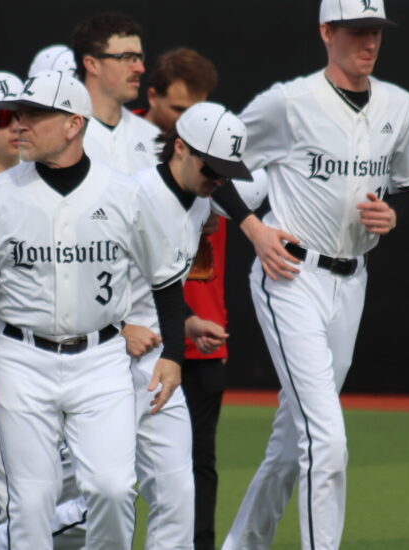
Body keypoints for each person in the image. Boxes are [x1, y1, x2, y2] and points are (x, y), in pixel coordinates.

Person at [219, 0, 409, 548]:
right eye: (356, 30)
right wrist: (255, 229)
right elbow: (214, 163)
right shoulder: (289, 102)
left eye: (376, 31)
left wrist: (395, 214)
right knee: (327, 441)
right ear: (326, 31)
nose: (369, 42)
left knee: (293, 441)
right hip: (291, 275)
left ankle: (242, 544)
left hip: (352, 279)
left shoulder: (398, 105)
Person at [0, 69, 188, 549]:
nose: (20, 123)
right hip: (21, 358)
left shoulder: (123, 192)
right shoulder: (0, 193)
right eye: (19, 113)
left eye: (36, 114)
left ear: (73, 124)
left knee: (113, 487)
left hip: (100, 359)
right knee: (31, 504)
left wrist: (174, 354)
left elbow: (166, 279)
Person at [143, 47, 229, 550]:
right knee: (105, 473)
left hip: (203, 330)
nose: (188, 121)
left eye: (197, 109)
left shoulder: (214, 161)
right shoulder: (132, 155)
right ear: (151, 98)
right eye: (177, 109)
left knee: (198, 464)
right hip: (138, 336)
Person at [70, 13, 160, 173]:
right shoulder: (61, 135)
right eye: (127, 57)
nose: (140, 68)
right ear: (92, 64)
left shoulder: (153, 138)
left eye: (139, 57)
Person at [144, 48, 217, 135]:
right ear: (153, 97)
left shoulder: (208, 144)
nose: (188, 120)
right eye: (179, 109)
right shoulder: (124, 135)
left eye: (196, 112)